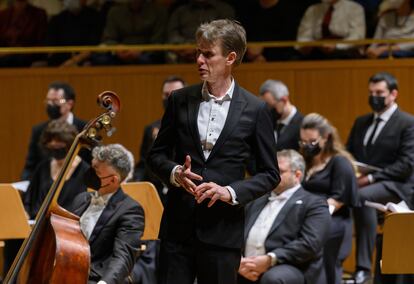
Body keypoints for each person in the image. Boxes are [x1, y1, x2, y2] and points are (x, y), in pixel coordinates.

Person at [147, 19, 279, 284]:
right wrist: (174, 173)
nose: (199, 60)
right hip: (177, 228)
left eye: (208, 54)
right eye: (198, 52)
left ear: (230, 58)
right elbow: (155, 156)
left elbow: (269, 174)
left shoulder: (255, 109)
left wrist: (229, 192)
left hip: (222, 230)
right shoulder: (179, 99)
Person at [347, 72, 414, 284]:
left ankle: (363, 269)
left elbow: (406, 165)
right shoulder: (361, 122)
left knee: (362, 197)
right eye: (371, 92)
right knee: (337, 194)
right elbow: (348, 154)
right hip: (364, 182)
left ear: (393, 94)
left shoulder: (407, 122)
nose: (374, 96)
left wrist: (369, 178)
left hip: (398, 186)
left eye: (379, 93)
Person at [238, 149, 330, 284]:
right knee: (216, 264)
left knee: (273, 279)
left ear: (297, 175)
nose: (273, 175)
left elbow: (310, 243)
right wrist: (238, 261)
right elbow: (236, 230)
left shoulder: (315, 204)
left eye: (280, 171)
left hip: (290, 266)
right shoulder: (256, 199)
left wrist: (270, 259)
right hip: (245, 263)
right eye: (271, 170)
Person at [69, 144, 145, 283]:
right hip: (68, 271)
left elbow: (123, 257)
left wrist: (104, 283)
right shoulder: (80, 199)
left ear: (113, 180)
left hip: (96, 277)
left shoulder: (131, 210)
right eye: (92, 167)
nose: (89, 173)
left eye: (96, 172)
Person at [300, 113, 358, 284]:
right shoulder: (304, 161)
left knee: (327, 272)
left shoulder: (340, 163)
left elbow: (338, 200)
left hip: (332, 221)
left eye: (312, 141)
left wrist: (312, 215)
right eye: (303, 142)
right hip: (306, 218)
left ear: (326, 138)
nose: (307, 146)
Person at [134, 75, 186, 204]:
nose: (169, 98)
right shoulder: (152, 128)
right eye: (166, 94)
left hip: (185, 191)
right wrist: (136, 185)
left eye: (174, 94)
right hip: (155, 194)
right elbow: (144, 163)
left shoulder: (197, 126)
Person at [21, 81, 88, 181]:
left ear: (69, 104)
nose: (50, 104)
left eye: (56, 101)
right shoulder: (39, 130)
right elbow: (30, 167)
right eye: (48, 101)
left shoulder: (85, 129)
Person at [296, 0, 366, 59]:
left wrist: (336, 46)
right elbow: (303, 37)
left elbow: (358, 36)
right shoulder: (312, 10)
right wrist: (309, 45)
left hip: (345, 54)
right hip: (317, 53)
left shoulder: (355, 8)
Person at [259, 79, 303, 151]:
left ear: (284, 100)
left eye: (270, 106)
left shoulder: (302, 124)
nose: (268, 110)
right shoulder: (268, 122)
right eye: (265, 107)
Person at [0, 0, 47, 67]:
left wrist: (16, 51)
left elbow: (41, 42)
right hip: (5, 56)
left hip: (27, 56)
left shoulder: (39, 14)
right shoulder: (3, 15)